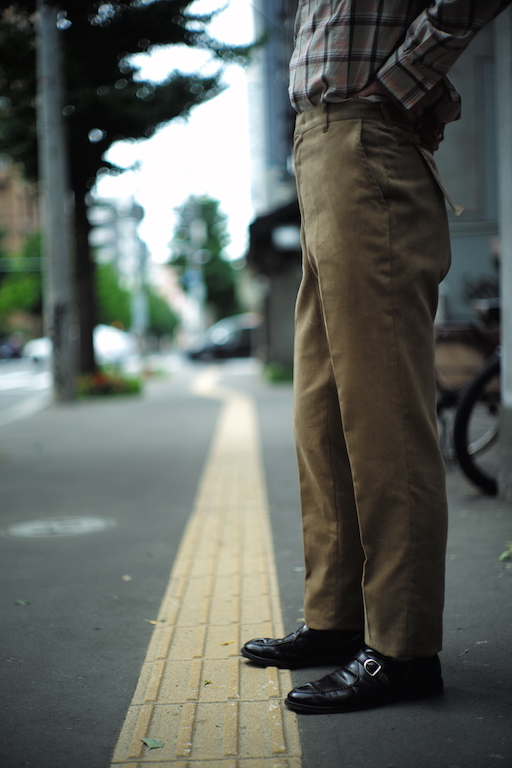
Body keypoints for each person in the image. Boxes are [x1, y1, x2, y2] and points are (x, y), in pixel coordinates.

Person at [241, 0, 511, 714]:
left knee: (383, 415)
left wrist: (401, 82)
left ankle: (402, 647)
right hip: (321, 151)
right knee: (322, 411)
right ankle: (338, 618)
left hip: (367, 140)